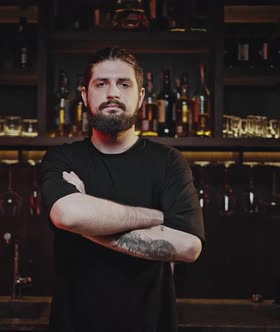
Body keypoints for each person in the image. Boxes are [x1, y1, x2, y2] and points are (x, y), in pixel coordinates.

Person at [40, 47, 205, 332]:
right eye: (101, 83)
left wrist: (87, 221)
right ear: (84, 96)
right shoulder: (62, 159)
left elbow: (189, 247)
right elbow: (67, 215)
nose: (112, 93)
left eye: (124, 84)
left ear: (140, 97)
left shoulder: (168, 162)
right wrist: (156, 217)